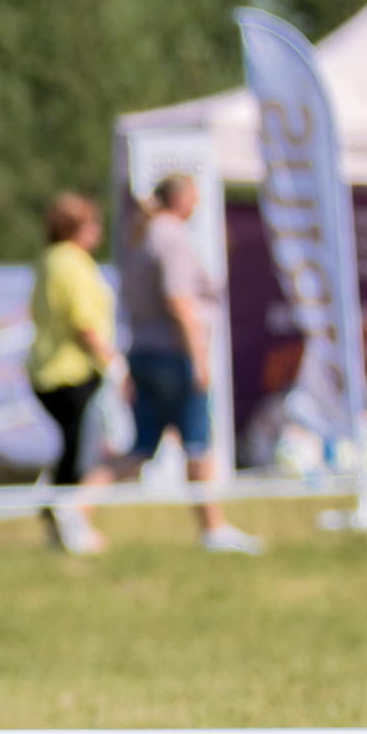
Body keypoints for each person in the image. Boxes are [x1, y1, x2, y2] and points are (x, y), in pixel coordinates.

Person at [116, 173, 262, 554]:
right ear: (180, 199)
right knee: (198, 444)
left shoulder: (146, 236)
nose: (197, 203)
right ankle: (214, 529)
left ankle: (74, 505)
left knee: (141, 449)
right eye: (194, 196)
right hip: (172, 356)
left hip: (146, 352)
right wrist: (198, 358)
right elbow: (179, 300)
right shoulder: (169, 238)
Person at [27, 193, 120, 554]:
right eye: (93, 225)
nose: (98, 233)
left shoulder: (49, 259)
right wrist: (114, 362)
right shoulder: (73, 263)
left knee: (72, 447)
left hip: (47, 368)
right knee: (81, 453)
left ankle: (57, 515)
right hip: (72, 371)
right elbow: (84, 323)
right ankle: (69, 520)